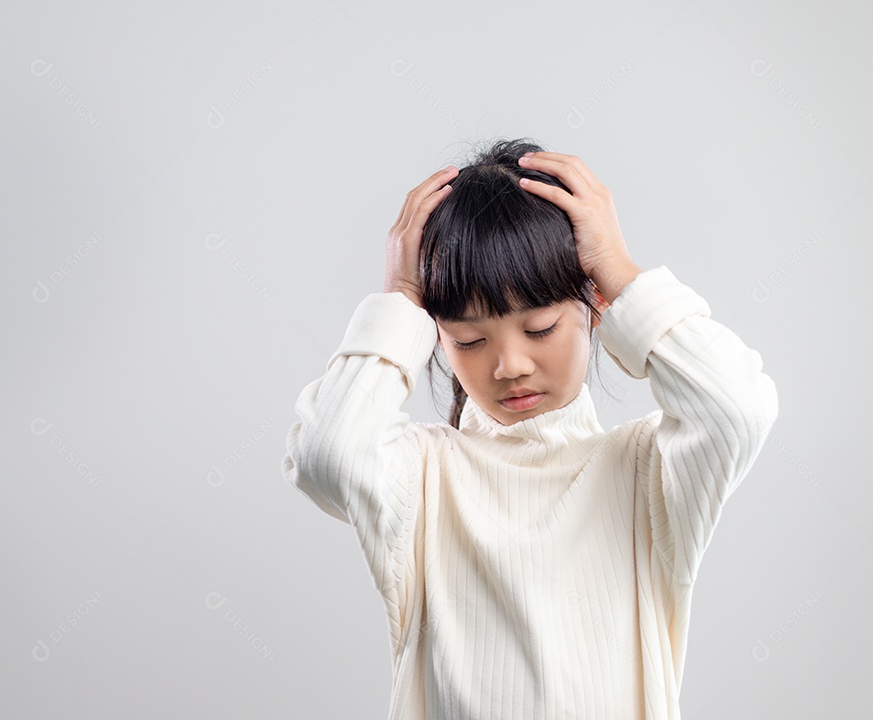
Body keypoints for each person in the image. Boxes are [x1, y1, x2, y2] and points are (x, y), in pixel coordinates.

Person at [281, 137, 778, 719]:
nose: (509, 364)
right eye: (468, 339)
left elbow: (736, 407)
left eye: (539, 328)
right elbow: (327, 453)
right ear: (435, 336)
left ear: (592, 307)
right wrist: (401, 301)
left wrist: (618, 271)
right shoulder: (421, 477)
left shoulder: (645, 472)